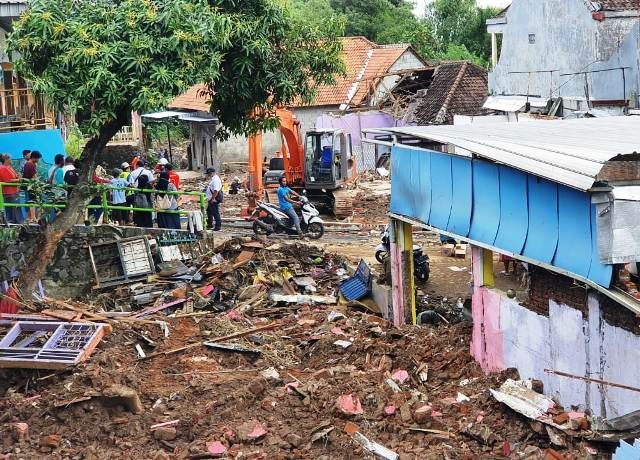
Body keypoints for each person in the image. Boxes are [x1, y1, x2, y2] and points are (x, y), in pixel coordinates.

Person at [0, 154, 23, 224]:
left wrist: (18, 177)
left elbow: (15, 177)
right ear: (6, 160)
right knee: (11, 209)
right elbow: (7, 180)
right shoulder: (3, 168)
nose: (11, 160)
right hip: (9, 193)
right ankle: (13, 223)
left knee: (16, 208)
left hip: (14, 191)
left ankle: (18, 222)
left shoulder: (9, 167)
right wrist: (18, 180)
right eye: (10, 159)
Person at [22, 150, 41, 223]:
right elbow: (34, 177)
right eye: (38, 158)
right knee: (32, 201)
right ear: (35, 158)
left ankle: (29, 217)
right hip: (30, 186)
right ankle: (33, 217)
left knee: (29, 201)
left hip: (28, 186)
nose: (38, 160)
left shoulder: (28, 164)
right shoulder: (30, 164)